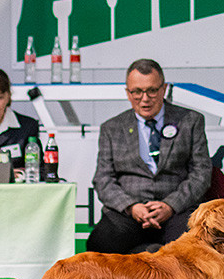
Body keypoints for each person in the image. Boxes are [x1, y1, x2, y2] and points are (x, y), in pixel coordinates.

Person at [87, 59, 211, 254]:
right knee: (101, 242)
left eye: (152, 90)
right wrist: (131, 207)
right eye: (137, 91)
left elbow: (201, 173)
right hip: (128, 214)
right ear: (127, 93)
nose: (144, 98)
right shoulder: (111, 128)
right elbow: (103, 179)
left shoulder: (191, 121)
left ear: (164, 89)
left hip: (177, 212)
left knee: (194, 247)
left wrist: (170, 205)